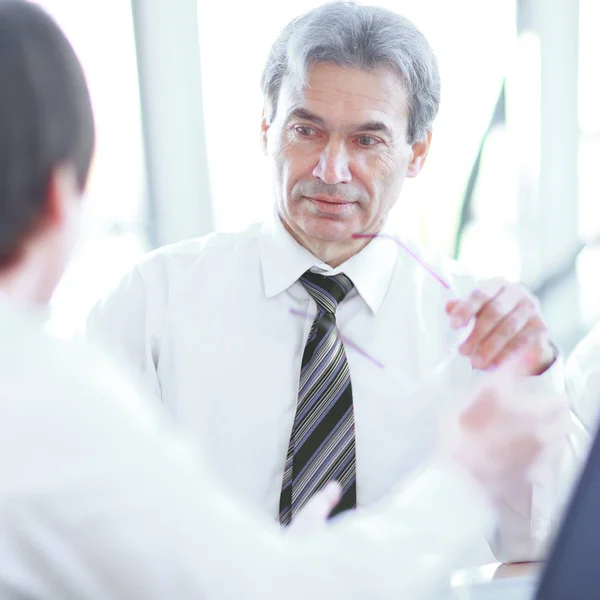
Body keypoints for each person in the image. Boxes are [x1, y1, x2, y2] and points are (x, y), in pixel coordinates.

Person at [87, 0, 585, 562]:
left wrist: (532, 376)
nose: (331, 170)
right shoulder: (152, 301)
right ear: (266, 129)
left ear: (417, 153)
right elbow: (83, 514)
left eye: (368, 141)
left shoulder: (475, 324)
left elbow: (547, 540)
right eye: (306, 130)